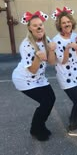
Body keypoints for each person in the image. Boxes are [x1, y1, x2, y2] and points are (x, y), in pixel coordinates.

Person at [12, 11, 56, 141]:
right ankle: (35, 129)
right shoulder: (26, 45)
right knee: (45, 102)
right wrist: (38, 57)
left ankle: (40, 125)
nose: (39, 27)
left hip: (39, 78)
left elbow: (52, 62)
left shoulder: (47, 39)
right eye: (35, 25)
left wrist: (51, 50)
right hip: (24, 79)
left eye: (40, 24)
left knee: (51, 99)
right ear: (30, 28)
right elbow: (32, 70)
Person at [51, 7, 77, 137]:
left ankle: (74, 121)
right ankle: (73, 128)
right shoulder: (56, 40)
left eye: (68, 22)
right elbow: (62, 61)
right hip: (66, 76)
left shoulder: (75, 35)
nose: (67, 24)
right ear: (60, 25)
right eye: (64, 23)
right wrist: (68, 47)